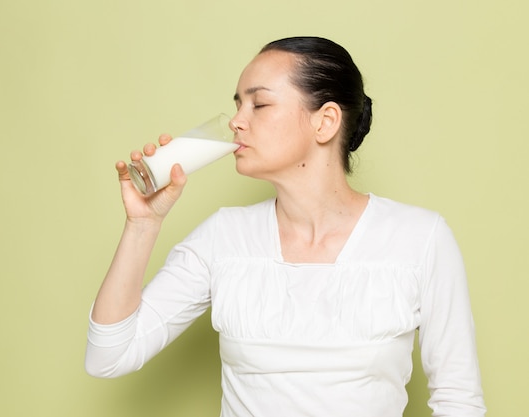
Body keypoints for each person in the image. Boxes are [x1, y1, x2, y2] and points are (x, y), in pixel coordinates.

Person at [85, 36, 486, 417]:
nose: (237, 122)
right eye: (237, 104)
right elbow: (109, 356)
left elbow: (458, 398)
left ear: (325, 122)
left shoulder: (420, 238)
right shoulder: (224, 236)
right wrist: (143, 224)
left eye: (258, 105)